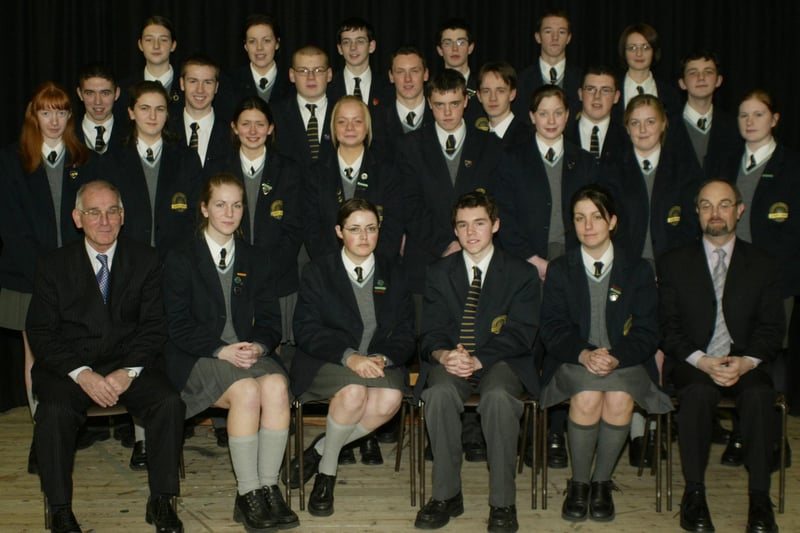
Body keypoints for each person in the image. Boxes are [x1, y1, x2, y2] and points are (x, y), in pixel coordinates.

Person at [26, 180, 185, 533]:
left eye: (112, 211)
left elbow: (155, 326)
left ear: (123, 216)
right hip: (70, 368)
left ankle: (161, 500)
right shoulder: (53, 265)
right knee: (52, 412)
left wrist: (127, 372)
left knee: (169, 402)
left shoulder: (145, 259)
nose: (104, 220)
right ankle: (60, 509)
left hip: (127, 364)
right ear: (77, 218)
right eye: (94, 212)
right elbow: (41, 332)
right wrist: (82, 374)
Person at [163, 174, 298, 530]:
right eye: (220, 204)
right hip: (198, 356)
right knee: (248, 391)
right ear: (204, 208)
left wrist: (258, 345)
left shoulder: (256, 258)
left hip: (246, 353)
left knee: (276, 387)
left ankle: (269, 486)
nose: (229, 212)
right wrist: (220, 350)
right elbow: (176, 326)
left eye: (237, 205)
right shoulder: (180, 257)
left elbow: (270, 320)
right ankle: (248, 492)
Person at [658, 179, 784, 533]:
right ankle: (694, 495)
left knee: (760, 394)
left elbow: (773, 327)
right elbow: (668, 328)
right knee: (697, 394)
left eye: (724, 204)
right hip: (693, 361)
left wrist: (747, 362)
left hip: (745, 361)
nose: (716, 213)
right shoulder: (673, 263)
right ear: (696, 212)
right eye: (707, 206)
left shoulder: (763, 263)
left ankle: (760, 499)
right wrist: (701, 360)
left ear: (739, 211)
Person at [539, 184, 670, 523]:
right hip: (573, 360)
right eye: (580, 218)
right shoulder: (559, 269)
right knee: (585, 398)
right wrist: (584, 354)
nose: (588, 225)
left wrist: (616, 356)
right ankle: (579, 484)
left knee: (619, 399)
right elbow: (553, 329)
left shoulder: (639, 269)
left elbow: (647, 331)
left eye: (597, 217)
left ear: (612, 221)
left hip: (624, 360)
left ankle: (601, 483)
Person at [413, 191, 539, 533]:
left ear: (495, 226)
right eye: (463, 225)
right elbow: (431, 332)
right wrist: (444, 356)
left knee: (498, 398)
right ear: (454, 230)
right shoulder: (439, 272)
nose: (471, 233)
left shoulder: (521, 273)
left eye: (479, 223)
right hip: (453, 360)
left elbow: (521, 333)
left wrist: (479, 359)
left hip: (500, 361)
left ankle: (502, 503)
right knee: (437, 394)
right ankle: (447, 495)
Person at [288, 198, 415, 517]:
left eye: (371, 229)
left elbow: (406, 332)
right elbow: (305, 329)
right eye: (355, 229)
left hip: (379, 360)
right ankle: (327, 475)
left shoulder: (394, 271)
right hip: (328, 361)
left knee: (389, 399)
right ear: (339, 232)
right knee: (355, 393)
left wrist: (384, 357)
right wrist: (349, 357)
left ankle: (320, 448)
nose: (364, 236)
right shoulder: (318, 271)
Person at [98, 80, 201, 467]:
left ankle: (166, 433)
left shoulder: (185, 159)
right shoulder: (112, 160)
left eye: (160, 109)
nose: (153, 116)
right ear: (130, 112)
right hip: (128, 267)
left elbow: (194, 217)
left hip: (175, 268)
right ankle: (142, 438)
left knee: (169, 349)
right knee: (135, 346)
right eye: (145, 109)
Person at [493, 84, 597, 469]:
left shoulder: (585, 163)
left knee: (561, 345)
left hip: (573, 268)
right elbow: (504, 217)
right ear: (532, 117)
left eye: (558, 113)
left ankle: (554, 433)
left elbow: (592, 219)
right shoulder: (511, 159)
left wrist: (569, 265)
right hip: (525, 267)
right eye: (544, 113)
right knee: (527, 348)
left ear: (568, 117)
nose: (551, 120)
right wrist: (535, 261)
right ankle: (526, 433)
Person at [0, 82, 93, 474]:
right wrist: (47, 276)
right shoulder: (11, 160)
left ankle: (66, 429)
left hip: (77, 276)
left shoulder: (83, 159)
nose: (54, 120)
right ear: (33, 117)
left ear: (70, 118)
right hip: (28, 277)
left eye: (61, 112)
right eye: (45, 112)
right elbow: (12, 226)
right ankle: (44, 437)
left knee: (76, 352)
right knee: (35, 357)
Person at [719, 89, 800, 463]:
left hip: (775, 282)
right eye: (743, 116)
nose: (750, 122)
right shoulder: (728, 163)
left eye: (758, 115)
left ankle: (772, 440)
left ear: (775, 119)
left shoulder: (792, 167)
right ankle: (741, 435)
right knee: (735, 355)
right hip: (731, 279)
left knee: (769, 357)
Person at [214, 96, 305, 352]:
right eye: (245, 124)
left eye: (260, 124)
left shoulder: (289, 170)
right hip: (228, 277)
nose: (253, 131)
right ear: (234, 127)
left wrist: (263, 272)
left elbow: (294, 230)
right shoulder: (218, 169)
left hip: (278, 278)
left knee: (276, 354)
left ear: (271, 128)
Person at [305, 95, 403, 263]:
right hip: (328, 270)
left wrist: (369, 265)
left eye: (357, 121)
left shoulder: (387, 172)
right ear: (334, 128)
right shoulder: (315, 174)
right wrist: (337, 267)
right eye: (342, 122)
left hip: (377, 268)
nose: (349, 128)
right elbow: (311, 229)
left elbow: (394, 226)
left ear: (367, 128)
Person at [670, 50, 742, 180]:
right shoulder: (665, 127)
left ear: (719, 80)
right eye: (693, 73)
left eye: (708, 72)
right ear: (682, 83)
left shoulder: (735, 128)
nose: (701, 78)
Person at [271, 45, 335, 167]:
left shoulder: (343, 113)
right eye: (303, 71)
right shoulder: (274, 114)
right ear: (291, 75)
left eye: (318, 70)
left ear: (329, 74)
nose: (311, 77)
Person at [514, 9, 582, 118]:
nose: (555, 37)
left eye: (561, 32)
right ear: (538, 37)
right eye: (548, 31)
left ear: (569, 38)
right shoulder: (520, 80)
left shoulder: (582, 80)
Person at [171, 55, 233, 174]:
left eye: (207, 82)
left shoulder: (231, 133)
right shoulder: (166, 129)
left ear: (216, 87)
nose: (200, 90)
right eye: (193, 81)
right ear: (182, 84)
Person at [371, 45, 431, 164]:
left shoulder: (440, 116)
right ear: (391, 76)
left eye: (414, 71)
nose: (407, 79)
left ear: (425, 74)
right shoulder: (375, 120)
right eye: (400, 72)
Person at [613, 23, 679, 124]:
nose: (639, 54)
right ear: (624, 52)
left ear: (654, 52)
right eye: (632, 48)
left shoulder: (670, 93)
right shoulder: (611, 89)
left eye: (645, 48)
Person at [118, 15, 182, 118]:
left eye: (163, 40)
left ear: (173, 45)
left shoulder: (188, 87)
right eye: (149, 40)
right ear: (140, 45)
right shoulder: (124, 89)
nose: (156, 46)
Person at [564, 66, 627, 165]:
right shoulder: (563, 136)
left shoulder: (627, 139)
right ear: (580, 94)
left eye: (605, 90)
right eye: (590, 89)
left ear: (616, 97)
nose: (597, 96)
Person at [228, 14, 292, 104]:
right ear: (245, 45)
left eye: (266, 40)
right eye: (252, 41)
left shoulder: (292, 82)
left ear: (277, 43)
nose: (259, 47)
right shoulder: (229, 82)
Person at [327, 17, 388, 110]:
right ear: (340, 48)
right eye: (346, 42)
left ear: (371, 46)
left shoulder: (388, 87)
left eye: (360, 41)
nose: (353, 47)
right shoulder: (327, 88)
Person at [475, 62, 530, 148]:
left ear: (512, 94)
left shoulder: (528, 138)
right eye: (486, 91)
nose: (493, 98)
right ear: (479, 96)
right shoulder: (474, 140)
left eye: (500, 91)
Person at [75, 63, 123, 155]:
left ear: (116, 93)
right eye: (90, 93)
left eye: (105, 93)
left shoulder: (132, 136)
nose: (98, 101)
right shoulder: (66, 136)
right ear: (80, 94)